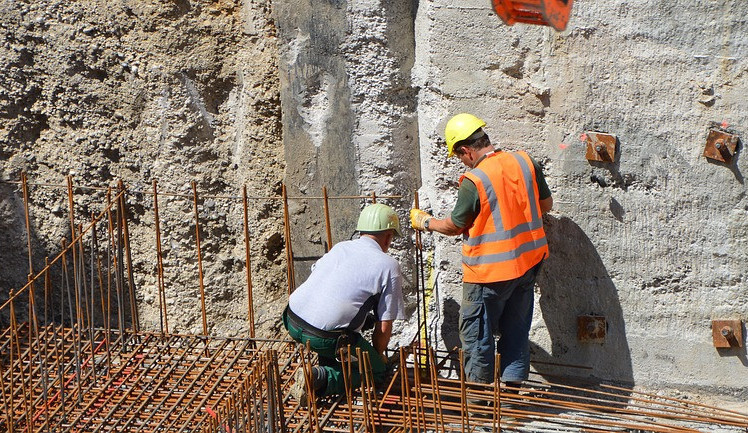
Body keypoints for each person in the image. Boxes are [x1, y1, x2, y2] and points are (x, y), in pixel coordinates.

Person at [410, 113, 552, 389]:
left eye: (459, 156)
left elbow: (454, 226)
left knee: (476, 336)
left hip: (488, 273)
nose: (461, 162)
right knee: (516, 330)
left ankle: (479, 402)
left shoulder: (474, 180)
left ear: (466, 150)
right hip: (527, 265)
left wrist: (425, 222)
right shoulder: (525, 162)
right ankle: (511, 393)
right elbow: (545, 205)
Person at [283, 203, 405, 404]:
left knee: (350, 328)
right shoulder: (389, 266)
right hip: (323, 338)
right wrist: (378, 356)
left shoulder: (341, 247)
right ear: (388, 236)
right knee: (376, 372)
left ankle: (327, 365)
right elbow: (384, 326)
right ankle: (320, 378)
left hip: (291, 319)